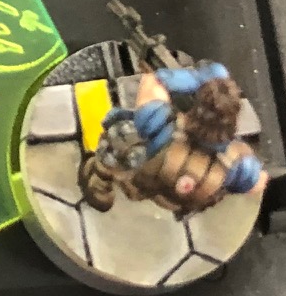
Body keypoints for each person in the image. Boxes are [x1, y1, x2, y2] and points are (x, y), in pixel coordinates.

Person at [80, 60, 265, 216]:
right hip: (177, 203)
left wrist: (196, 78)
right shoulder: (239, 163)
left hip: (142, 183)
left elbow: (151, 83)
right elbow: (258, 184)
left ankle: (100, 186)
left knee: (120, 132)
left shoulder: (161, 122)